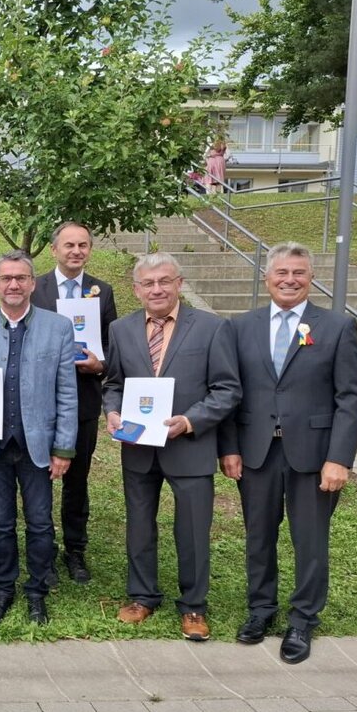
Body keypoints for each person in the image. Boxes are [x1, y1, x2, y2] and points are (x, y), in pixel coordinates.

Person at [219, 242, 357, 664]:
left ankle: (303, 619)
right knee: (258, 536)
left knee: (310, 541)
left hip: (315, 455)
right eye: (282, 272)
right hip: (256, 452)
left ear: (310, 277)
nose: (289, 280)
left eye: (298, 273)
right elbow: (230, 392)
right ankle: (260, 610)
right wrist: (229, 447)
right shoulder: (240, 326)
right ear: (267, 278)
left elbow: (350, 397)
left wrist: (339, 457)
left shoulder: (337, 327)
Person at [102, 252, 240, 641]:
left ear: (179, 283)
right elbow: (113, 383)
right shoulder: (121, 329)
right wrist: (112, 412)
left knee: (192, 530)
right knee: (139, 527)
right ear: (136, 289)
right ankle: (142, 595)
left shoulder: (212, 328)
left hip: (190, 446)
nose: (157, 289)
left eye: (165, 281)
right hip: (139, 448)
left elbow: (227, 389)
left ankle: (194, 606)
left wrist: (189, 421)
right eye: (148, 283)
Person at [0, 252, 78, 624]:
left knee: (40, 522)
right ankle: (3, 587)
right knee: (0, 522)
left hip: (38, 446)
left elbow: (67, 392)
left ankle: (37, 591)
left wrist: (64, 447)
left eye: (21, 278)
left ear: (32, 283)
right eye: (6, 278)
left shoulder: (58, 328)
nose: (13, 285)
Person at [30, 221, 117, 585]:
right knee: (39, 479)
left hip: (82, 401)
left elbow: (115, 346)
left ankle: (75, 550)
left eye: (83, 245)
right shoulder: (36, 289)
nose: (76, 251)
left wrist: (101, 365)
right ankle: (42, 550)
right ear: (54, 250)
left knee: (76, 479)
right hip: (38, 402)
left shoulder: (103, 291)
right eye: (69, 245)